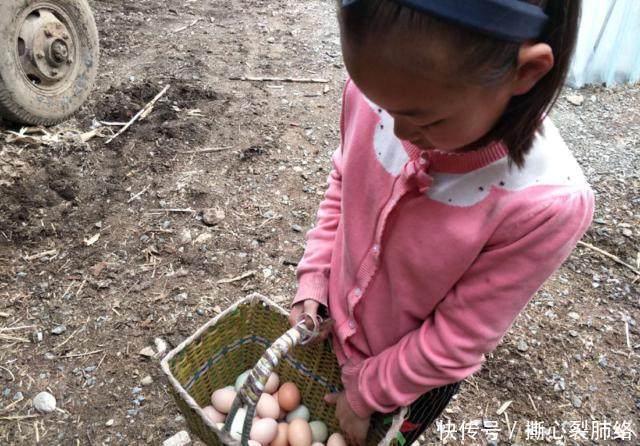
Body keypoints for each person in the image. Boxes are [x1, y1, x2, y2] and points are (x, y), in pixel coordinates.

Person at [289, 0, 593, 444]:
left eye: (424, 119)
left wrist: (367, 393)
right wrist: (315, 277)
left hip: (408, 383)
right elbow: (344, 179)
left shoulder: (544, 203)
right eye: (380, 103)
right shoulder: (389, 92)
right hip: (333, 324)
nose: (396, 131)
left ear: (525, 73)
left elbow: (457, 339)